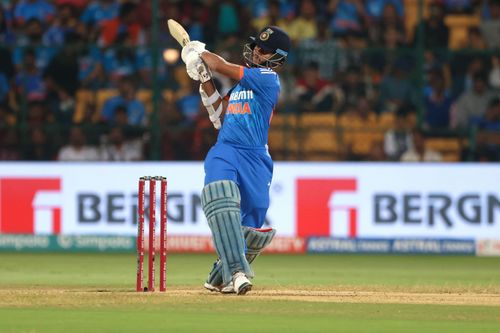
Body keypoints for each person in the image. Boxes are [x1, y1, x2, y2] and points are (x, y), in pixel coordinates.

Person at [179, 26, 290, 295]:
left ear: (276, 58)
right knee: (220, 197)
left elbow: (222, 65)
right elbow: (219, 116)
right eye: (255, 46)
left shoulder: (267, 79)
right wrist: (205, 78)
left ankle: (220, 275)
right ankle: (238, 272)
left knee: (250, 228)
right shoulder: (242, 86)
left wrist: (200, 53)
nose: (255, 51)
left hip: (256, 158)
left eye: (263, 50)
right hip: (226, 149)